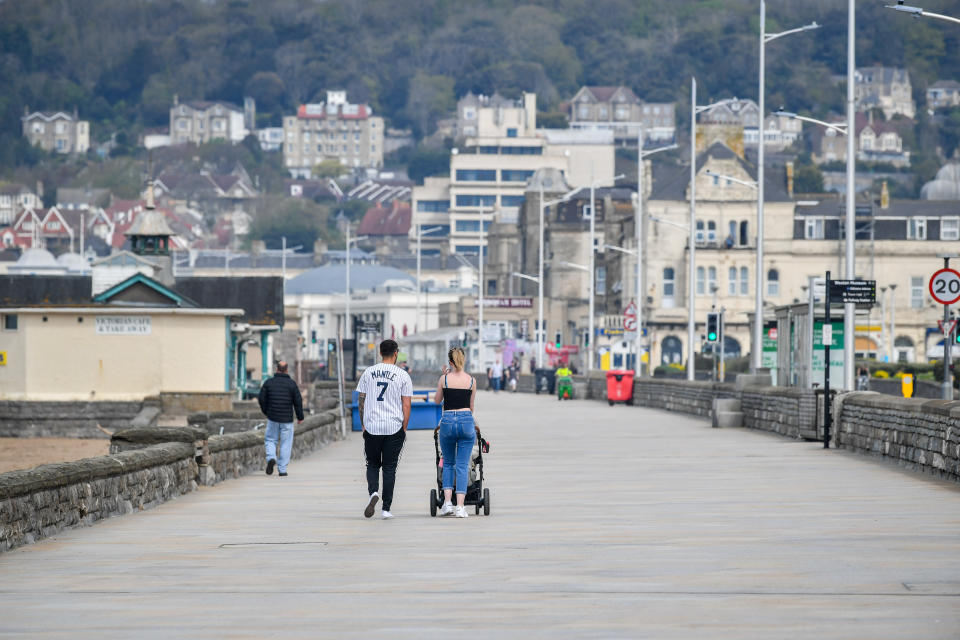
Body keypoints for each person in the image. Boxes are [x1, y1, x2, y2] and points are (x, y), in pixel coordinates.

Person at [357, 339, 412, 520]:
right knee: (389, 468)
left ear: (380, 352)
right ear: (396, 353)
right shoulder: (402, 375)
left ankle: (373, 492)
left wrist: (363, 424)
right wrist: (403, 428)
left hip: (372, 425)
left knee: (372, 464)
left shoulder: (368, 372)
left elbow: (361, 401)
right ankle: (386, 509)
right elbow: (406, 404)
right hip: (393, 426)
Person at [433, 347, 477, 518]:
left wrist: (445, 376)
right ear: (463, 360)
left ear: (450, 362)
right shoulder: (472, 381)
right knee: (462, 465)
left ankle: (447, 503)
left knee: (449, 463)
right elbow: (471, 407)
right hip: (466, 420)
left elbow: (437, 401)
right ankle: (460, 507)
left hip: (448, 420)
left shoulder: (444, 379)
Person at [257, 361, 304, 477]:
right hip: (287, 419)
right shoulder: (292, 384)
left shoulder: (268, 383)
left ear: (276, 369)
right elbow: (298, 402)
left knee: (270, 440)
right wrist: (300, 417)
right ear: (287, 370)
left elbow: (261, 399)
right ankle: (282, 470)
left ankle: (271, 457)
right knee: (286, 443)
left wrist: (267, 412)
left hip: (273, 418)